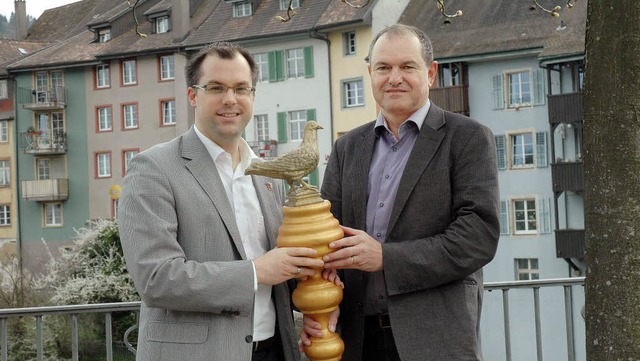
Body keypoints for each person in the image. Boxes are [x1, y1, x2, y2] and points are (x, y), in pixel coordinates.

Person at [302, 24, 500, 361]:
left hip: (435, 339)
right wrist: (320, 303)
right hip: (356, 339)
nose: (394, 78)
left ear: (431, 73)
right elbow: (325, 237)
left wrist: (385, 258)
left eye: (407, 67)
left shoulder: (467, 138)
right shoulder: (348, 147)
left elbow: (477, 237)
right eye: (383, 68)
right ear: (370, 74)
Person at [118, 42, 324, 361]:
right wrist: (255, 272)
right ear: (192, 95)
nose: (230, 99)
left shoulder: (268, 176)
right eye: (216, 88)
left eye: (241, 88)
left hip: (275, 350)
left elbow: (279, 273)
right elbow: (156, 279)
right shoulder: (153, 168)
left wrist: (308, 291)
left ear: (253, 95)